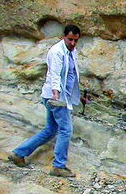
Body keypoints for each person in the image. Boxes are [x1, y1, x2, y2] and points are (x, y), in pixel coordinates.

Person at [7, 25, 85, 177]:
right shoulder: (57, 52)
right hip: (55, 97)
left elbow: (71, 77)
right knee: (66, 130)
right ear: (63, 37)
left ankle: (19, 153)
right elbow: (55, 74)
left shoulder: (71, 51)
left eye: (76, 40)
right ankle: (58, 166)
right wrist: (56, 94)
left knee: (50, 130)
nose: (73, 43)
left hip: (58, 96)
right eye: (70, 40)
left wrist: (78, 96)